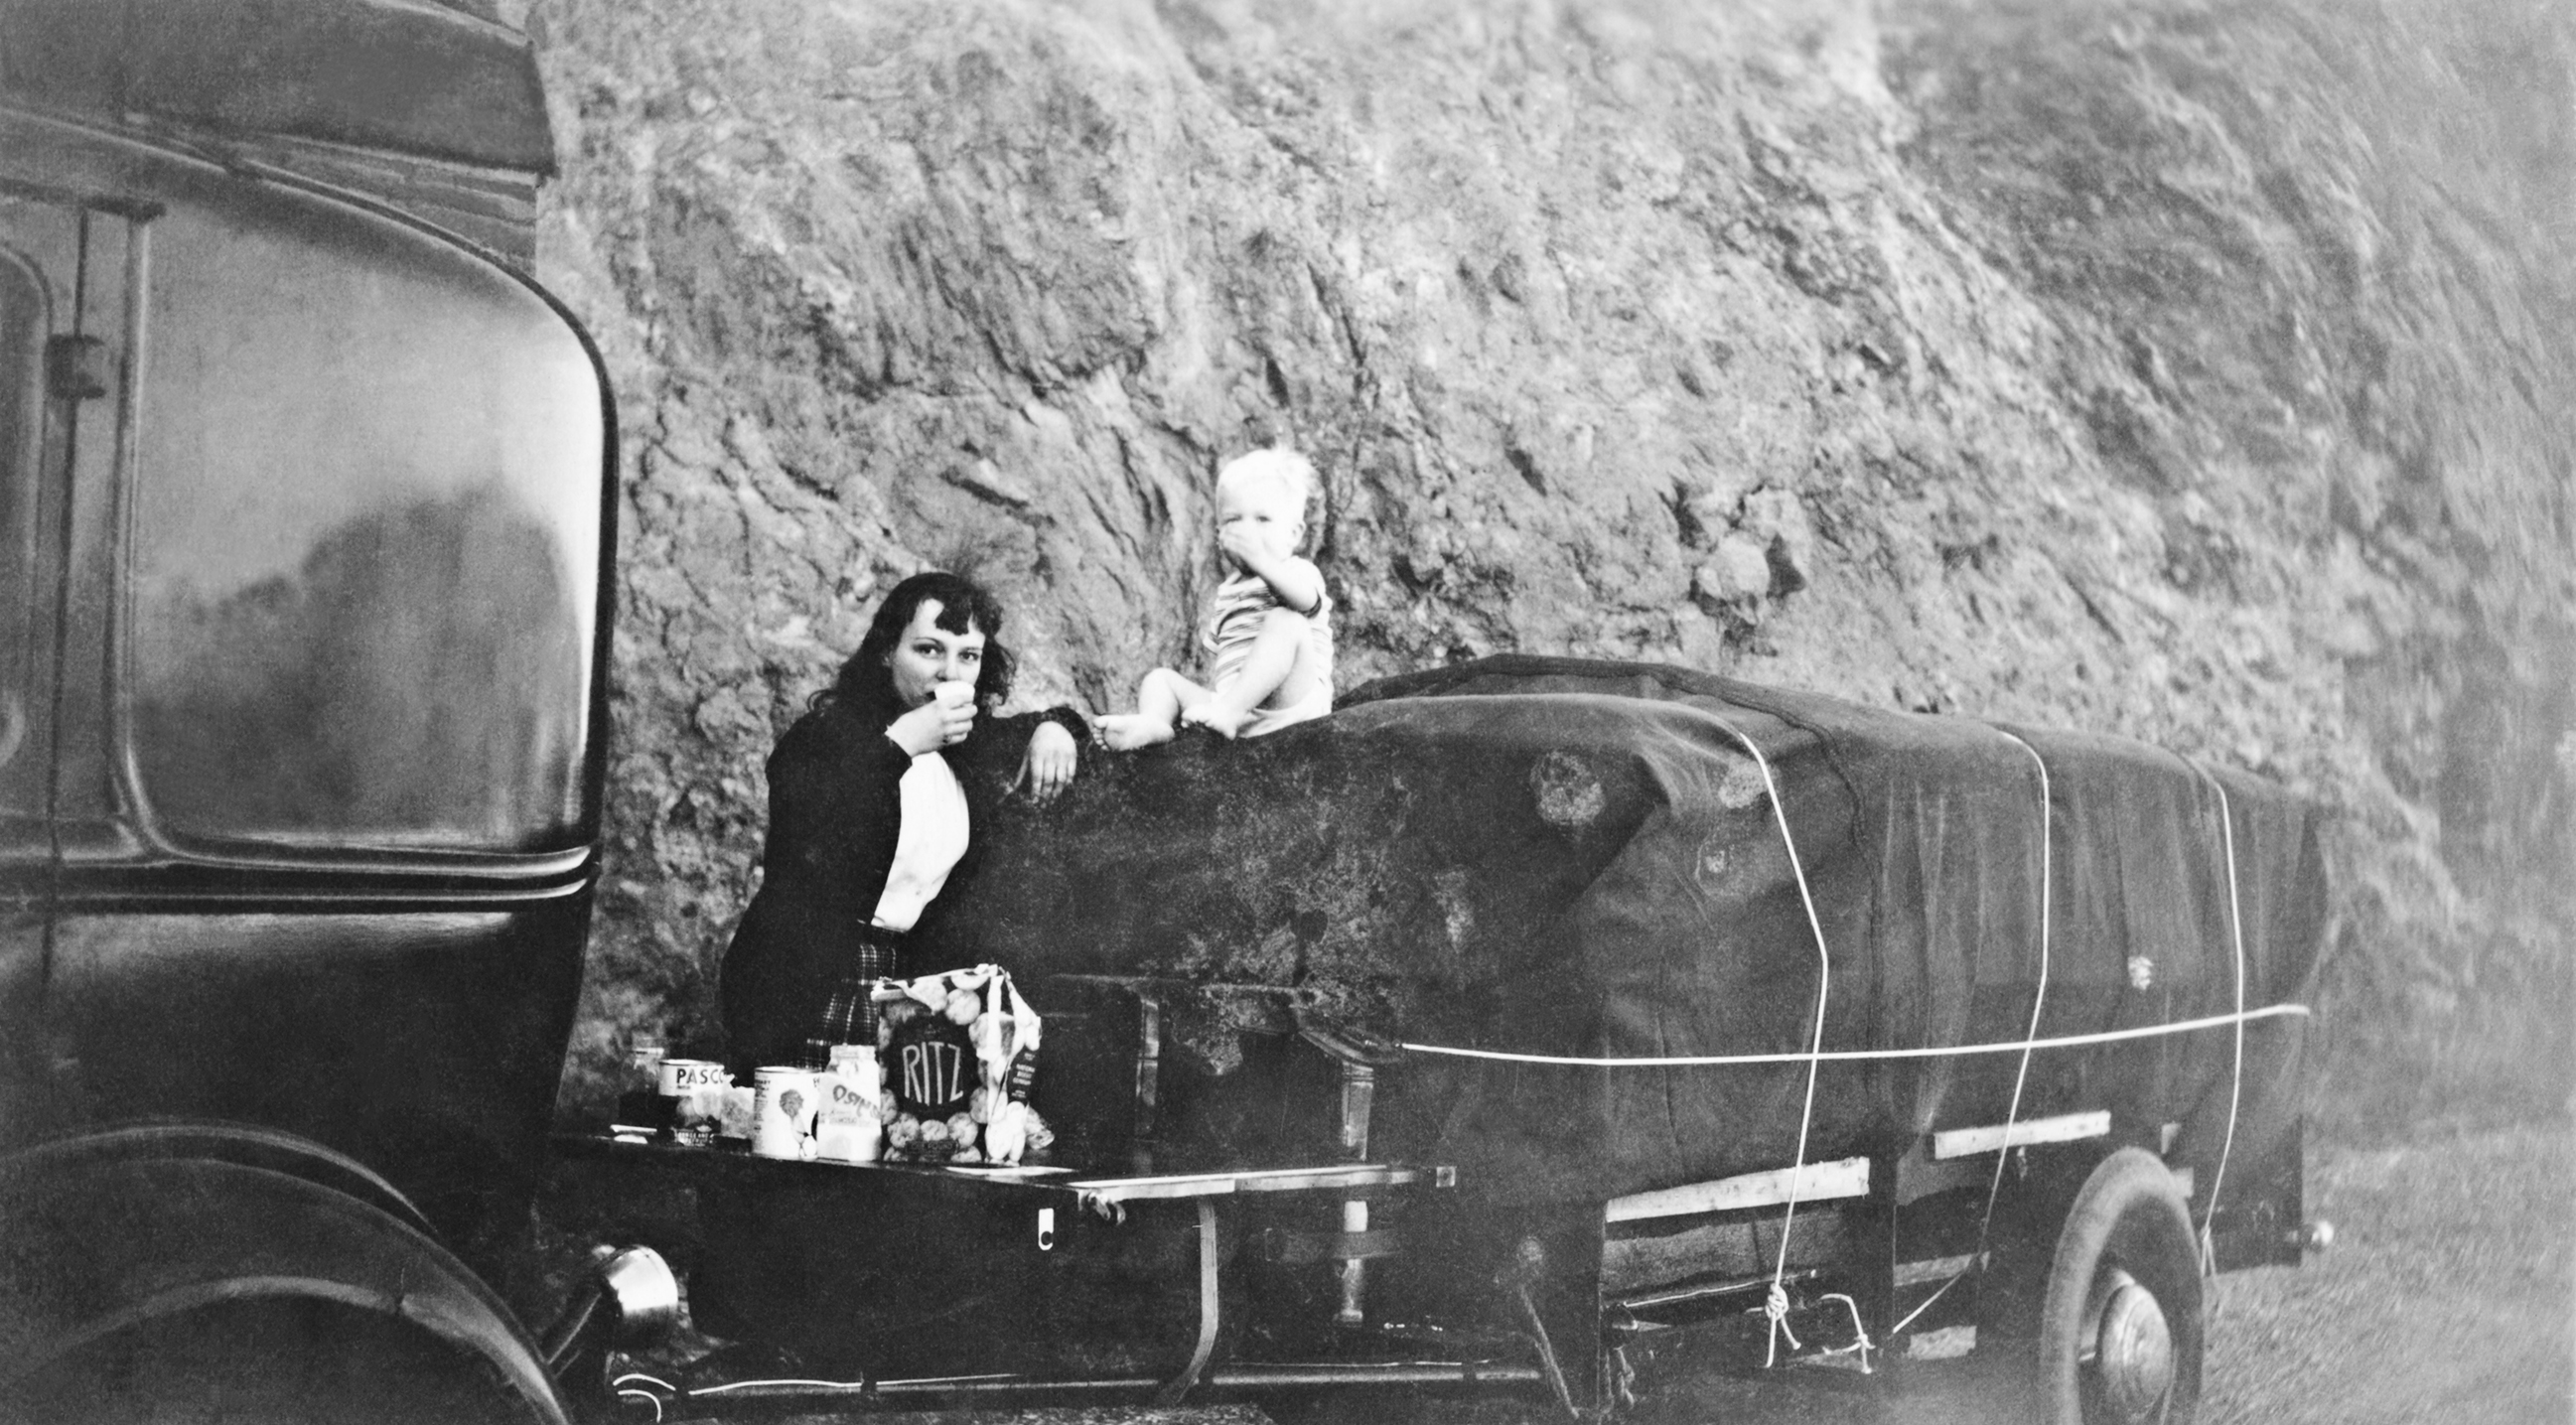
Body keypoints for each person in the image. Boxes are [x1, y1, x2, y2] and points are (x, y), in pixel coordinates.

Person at [717, 570, 1083, 1075]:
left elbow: (1053, 725)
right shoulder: (825, 737)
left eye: (968, 656)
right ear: (888, 651)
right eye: (929, 650)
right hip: (807, 983)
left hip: (905, 991)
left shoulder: (964, 745)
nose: (949, 673)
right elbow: (815, 840)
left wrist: (1054, 729)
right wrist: (901, 744)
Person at [1095, 448, 1335, 749]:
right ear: (1220, 534)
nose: (1248, 530)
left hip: (1293, 700)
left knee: (1285, 621)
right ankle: (1154, 722)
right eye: (1234, 519)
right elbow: (1230, 661)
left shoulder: (1297, 571)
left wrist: (1260, 560)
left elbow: (1306, 602)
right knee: (1161, 679)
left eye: (1263, 519)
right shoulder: (1229, 591)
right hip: (1242, 708)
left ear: (1293, 534)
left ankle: (1229, 712)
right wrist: (1220, 702)